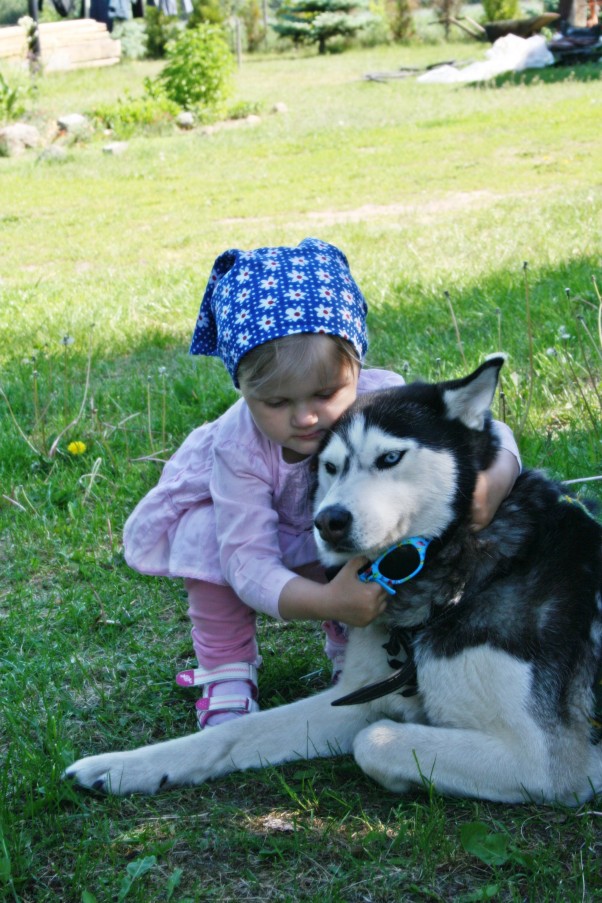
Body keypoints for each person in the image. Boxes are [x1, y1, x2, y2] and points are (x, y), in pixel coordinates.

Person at [123, 238, 521, 728]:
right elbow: (246, 563)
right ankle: (226, 670)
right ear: (242, 389)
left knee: (362, 523)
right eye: (276, 402)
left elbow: (485, 428)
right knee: (207, 541)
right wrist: (326, 601)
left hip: (337, 533)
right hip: (252, 543)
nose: (306, 416)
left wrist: (496, 480)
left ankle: (350, 646)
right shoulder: (238, 449)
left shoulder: (382, 398)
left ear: (356, 365)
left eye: (326, 393)